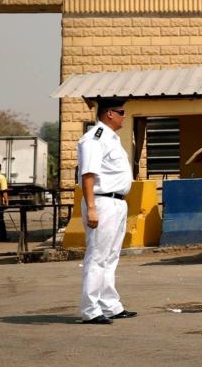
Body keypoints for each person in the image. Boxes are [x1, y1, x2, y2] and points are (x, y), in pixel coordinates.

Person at [77, 101, 137, 324]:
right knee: (97, 257)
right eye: (121, 113)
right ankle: (90, 309)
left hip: (117, 202)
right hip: (102, 202)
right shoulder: (95, 138)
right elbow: (88, 175)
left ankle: (110, 305)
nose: (124, 116)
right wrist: (91, 208)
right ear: (109, 114)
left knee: (111, 257)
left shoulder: (112, 138)